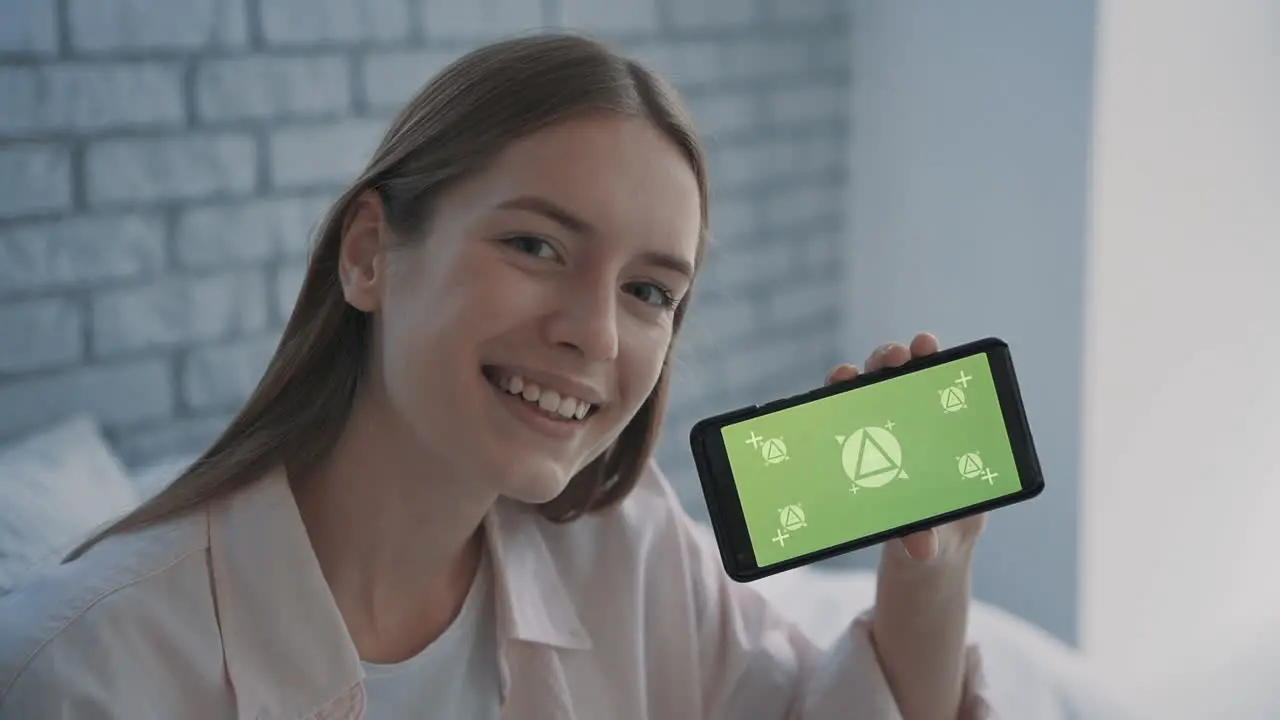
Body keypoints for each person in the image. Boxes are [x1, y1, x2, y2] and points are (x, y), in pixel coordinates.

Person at [0, 33, 992, 719]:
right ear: (369, 255)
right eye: (535, 245)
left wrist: (927, 572)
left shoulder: (627, 549)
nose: (593, 334)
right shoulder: (87, 671)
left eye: (650, 293)